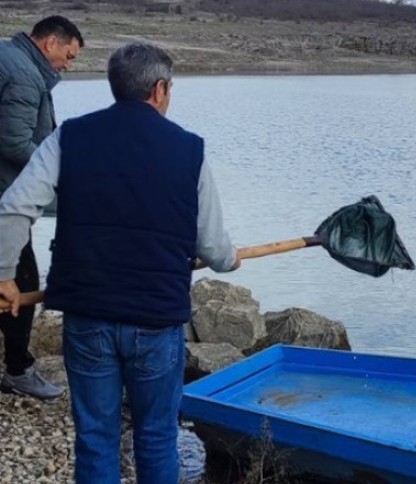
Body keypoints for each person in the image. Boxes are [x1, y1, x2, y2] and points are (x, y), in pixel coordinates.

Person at [0, 42, 241, 483]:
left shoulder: (70, 136)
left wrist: (4, 276)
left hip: (88, 315)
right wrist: (229, 262)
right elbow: (212, 245)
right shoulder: (190, 149)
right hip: (156, 319)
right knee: (156, 435)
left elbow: (13, 208)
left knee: (95, 436)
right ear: (160, 89)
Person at [0, 15, 83, 400]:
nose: (68, 65)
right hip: (5, 197)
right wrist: (55, 173)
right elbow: (15, 143)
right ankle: (18, 370)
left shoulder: (9, 56)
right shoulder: (25, 75)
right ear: (50, 43)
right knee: (23, 281)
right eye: (68, 56)